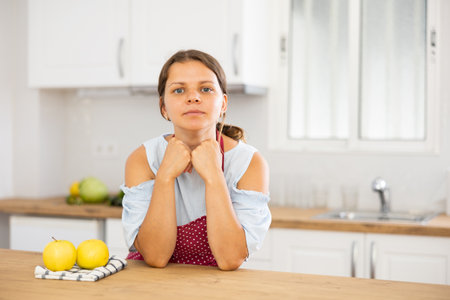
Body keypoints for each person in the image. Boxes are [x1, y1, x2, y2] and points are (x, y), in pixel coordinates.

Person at [121, 49, 271, 271]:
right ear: (164, 107)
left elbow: (230, 259)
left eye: (206, 89)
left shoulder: (250, 163)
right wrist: (165, 175)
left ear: (223, 104)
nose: (193, 97)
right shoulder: (142, 159)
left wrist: (214, 175)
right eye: (179, 90)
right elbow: (155, 256)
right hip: (151, 285)